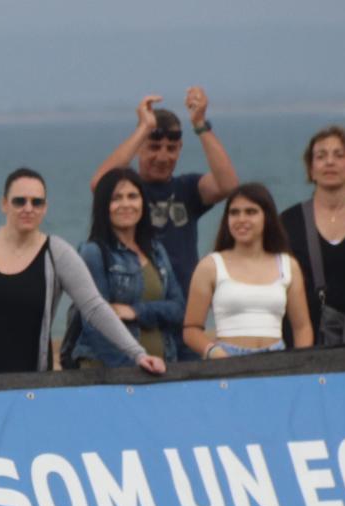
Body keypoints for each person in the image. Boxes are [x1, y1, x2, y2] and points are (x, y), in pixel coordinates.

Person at [0, 169, 165, 377]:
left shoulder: (57, 253)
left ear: (45, 207)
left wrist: (137, 354)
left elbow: (94, 307)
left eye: (37, 202)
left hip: (25, 386)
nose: (28, 208)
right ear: (4, 204)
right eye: (19, 201)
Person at [89, 89, 241, 351]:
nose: (162, 157)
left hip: (184, 318)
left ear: (180, 149)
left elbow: (228, 185)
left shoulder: (188, 189)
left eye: (171, 149)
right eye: (154, 147)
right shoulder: (129, 195)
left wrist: (200, 125)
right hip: (136, 316)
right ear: (139, 149)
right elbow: (101, 184)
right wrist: (143, 128)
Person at [279, 126, 345, 346]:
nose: (330, 162)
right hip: (302, 347)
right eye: (321, 156)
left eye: (339, 155)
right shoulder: (288, 222)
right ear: (311, 169)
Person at [183, 185, 314, 358]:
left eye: (251, 212)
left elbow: (302, 327)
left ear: (267, 217)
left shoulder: (288, 265)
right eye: (234, 212)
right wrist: (215, 352)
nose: (241, 219)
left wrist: (300, 366)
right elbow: (191, 329)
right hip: (227, 359)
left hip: (277, 358)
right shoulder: (210, 266)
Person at [69, 170, 185, 367]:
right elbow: (94, 324)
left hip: (158, 367)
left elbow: (178, 309)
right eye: (116, 198)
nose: (126, 204)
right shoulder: (93, 253)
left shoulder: (156, 250)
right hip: (107, 372)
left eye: (132, 196)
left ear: (143, 202)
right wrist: (131, 366)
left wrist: (135, 311)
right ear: (103, 206)